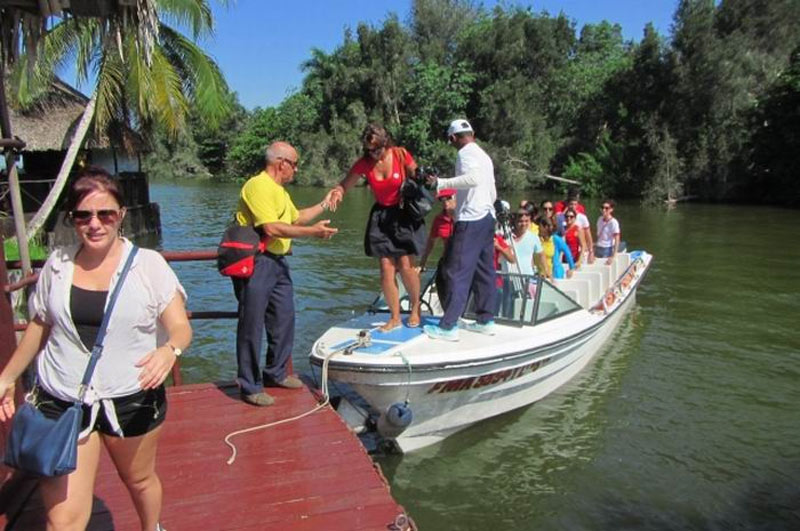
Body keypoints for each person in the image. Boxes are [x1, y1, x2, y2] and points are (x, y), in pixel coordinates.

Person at [0, 167, 192, 530]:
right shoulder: (57, 265)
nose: (95, 224)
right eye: (83, 215)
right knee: (63, 522)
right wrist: (7, 377)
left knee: (138, 479)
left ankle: (152, 527)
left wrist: (169, 351)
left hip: (132, 394)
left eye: (105, 214)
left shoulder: (149, 266)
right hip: (64, 399)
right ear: (72, 219)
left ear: (120, 216)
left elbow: (180, 328)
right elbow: (40, 324)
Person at [233, 141, 338, 407]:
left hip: (277, 262)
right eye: (295, 164)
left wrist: (325, 203)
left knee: (284, 318)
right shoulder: (257, 186)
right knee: (252, 324)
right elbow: (271, 228)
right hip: (257, 262)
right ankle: (249, 385)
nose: (296, 170)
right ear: (282, 163)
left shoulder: (278, 191)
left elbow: (296, 218)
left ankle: (276, 372)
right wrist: (313, 233)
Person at [328, 124, 424, 331]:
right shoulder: (364, 163)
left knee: (406, 266)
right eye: (369, 150)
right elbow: (345, 184)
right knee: (386, 268)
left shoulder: (399, 154)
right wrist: (338, 192)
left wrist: (424, 178)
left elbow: (418, 174)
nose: (373, 154)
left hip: (403, 213)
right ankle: (395, 316)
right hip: (381, 216)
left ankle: (415, 308)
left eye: (377, 149)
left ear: (385, 143)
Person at [423, 119, 498, 341]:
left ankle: (448, 326)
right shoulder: (484, 156)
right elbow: (491, 190)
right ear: (472, 133)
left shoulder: (464, 154)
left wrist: (441, 183)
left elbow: (473, 179)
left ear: (453, 138)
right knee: (485, 271)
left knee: (457, 271)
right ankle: (485, 320)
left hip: (471, 219)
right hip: (487, 217)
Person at [418, 188, 456, 305]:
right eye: (442, 199)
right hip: (448, 260)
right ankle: (446, 312)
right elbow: (430, 243)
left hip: (465, 259)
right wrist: (422, 264)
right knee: (441, 281)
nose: (445, 202)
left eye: (449, 198)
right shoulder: (439, 220)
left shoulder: (466, 216)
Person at [595, 199, 622, 265]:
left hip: (607, 248)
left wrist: (613, 255)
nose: (604, 210)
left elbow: (617, 239)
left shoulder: (613, 222)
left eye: (606, 208)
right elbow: (598, 234)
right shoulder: (599, 219)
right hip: (598, 246)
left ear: (611, 210)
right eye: (602, 208)